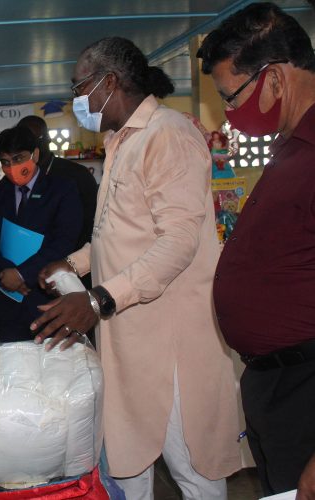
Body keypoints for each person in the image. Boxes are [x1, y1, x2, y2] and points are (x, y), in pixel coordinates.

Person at [32, 37, 241, 499]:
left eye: (78, 87)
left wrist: (98, 298)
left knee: (193, 471)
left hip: (168, 345)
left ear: (109, 83)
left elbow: (178, 242)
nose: (75, 100)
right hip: (126, 337)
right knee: (125, 469)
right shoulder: (120, 142)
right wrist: (73, 263)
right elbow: (119, 231)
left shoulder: (168, 134)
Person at [197, 3, 315, 497]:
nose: (228, 112)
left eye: (230, 95)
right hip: (276, 386)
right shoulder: (291, 147)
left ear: (274, 79)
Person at [0, 126, 82, 342]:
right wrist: (6, 274)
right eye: (5, 162)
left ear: (35, 154)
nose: (12, 167)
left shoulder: (62, 190)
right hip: (8, 299)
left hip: (47, 297)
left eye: (18, 159)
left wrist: (22, 274)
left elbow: (64, 241)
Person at [17, 115, 98, 252]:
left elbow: (92, 223)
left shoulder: (77, 175)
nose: (29, 144)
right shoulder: (15, 176)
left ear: (49, 139)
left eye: (35, 139)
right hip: (26, 261)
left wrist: (73, 261)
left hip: (72, 261)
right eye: (23, 139)